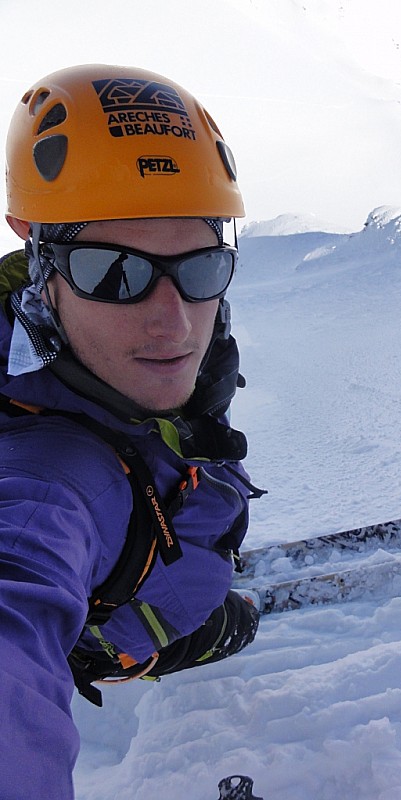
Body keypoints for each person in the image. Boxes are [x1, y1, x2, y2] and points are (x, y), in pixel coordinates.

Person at [0, 64, 261, 799]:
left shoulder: (126, 344)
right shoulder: (46, 481)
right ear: (38, 262)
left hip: (170, 575)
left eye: (203, 265)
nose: (174, 324)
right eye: (114, 272)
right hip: (117, 626)